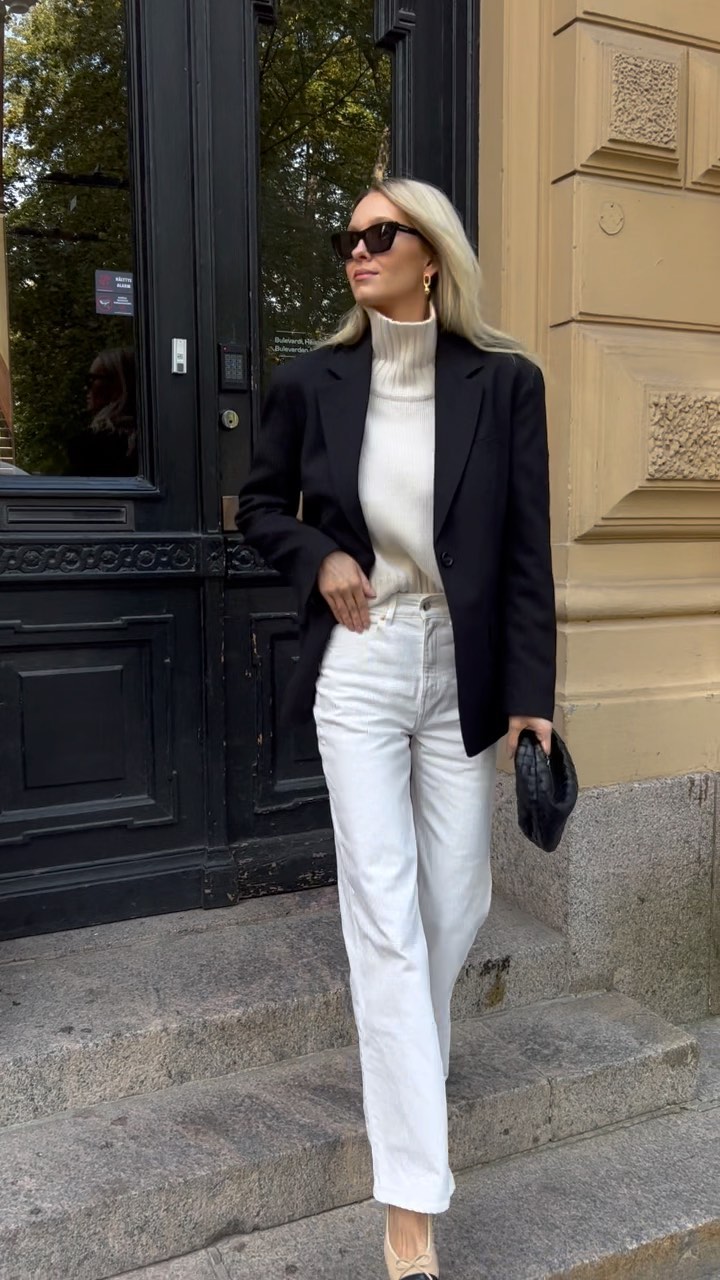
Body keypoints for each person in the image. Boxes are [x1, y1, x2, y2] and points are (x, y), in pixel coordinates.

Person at [236, 177, 556, 1279]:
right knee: (383, 913)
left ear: (434, 255)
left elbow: (525, 550)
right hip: (364, 659)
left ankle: (406, 1064)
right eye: (349, 237)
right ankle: (411, 1215)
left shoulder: (505, 384)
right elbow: (259, 506)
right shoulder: (311, 381)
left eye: (382, 233)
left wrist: (532, 694)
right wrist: (318, 554)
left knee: (454, 900)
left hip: (460, 666)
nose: (358, 251)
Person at [67, 347, 137, 476]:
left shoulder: (92, 448)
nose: (85, 388)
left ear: (118, 384)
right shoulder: (152, 441)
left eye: (91, 380)